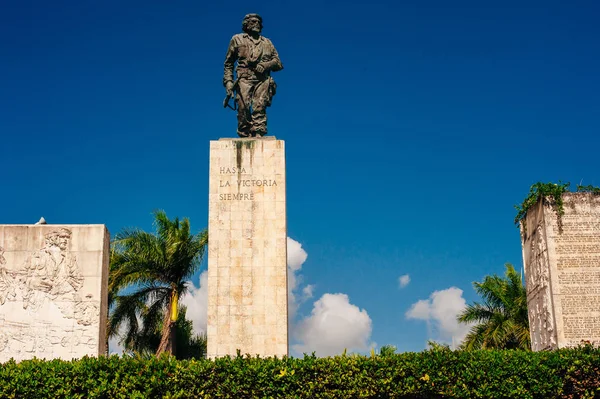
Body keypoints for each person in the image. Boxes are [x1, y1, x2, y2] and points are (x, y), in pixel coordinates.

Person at [223, 13, 283, 137]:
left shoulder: (267, 42)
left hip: (262, 80)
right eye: (253, 21)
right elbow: (228, 63)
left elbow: (278, 63)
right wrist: (229, 82)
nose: (256, 24)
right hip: (243, 79)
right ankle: (244, 133)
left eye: (258, 22)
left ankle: (258, 133)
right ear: (246, 25)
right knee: (243, 108)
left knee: (259, 107)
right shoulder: (237, 39)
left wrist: (266, 65)